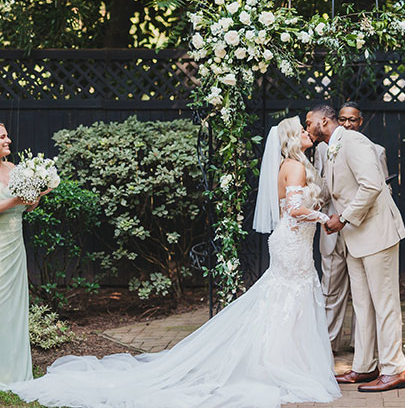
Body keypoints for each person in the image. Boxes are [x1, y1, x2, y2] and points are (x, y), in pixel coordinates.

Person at [10, 116, 341, 408]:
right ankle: (282, 364)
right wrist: (324, 216)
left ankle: (285, 360)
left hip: (293, 242)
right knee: (288, 297)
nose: (306, 132)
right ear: (288, 138)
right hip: (293, 242)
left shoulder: (292, 164)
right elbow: (295, 211)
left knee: (286, 299)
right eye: (300, 130)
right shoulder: (295, 166)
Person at [306, 105, 405, 393]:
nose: (307, 126)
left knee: (385, 304)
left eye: (309, 121)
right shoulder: (330, 148)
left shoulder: (353, 141)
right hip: (355, 238)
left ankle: (395, 369)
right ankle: (364, 367)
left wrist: (345, 217)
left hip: (376, 233)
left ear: (323, 121)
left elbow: (372, 185)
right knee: (362, 305)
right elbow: (334, 190)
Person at [311, 102, 391, 352]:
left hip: (362, 228)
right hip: (333, 231)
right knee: (330, 291)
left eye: (352, 120)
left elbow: (381, 189)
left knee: (364, 294)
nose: (347, 124)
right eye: (343, 119)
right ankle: (328, 345)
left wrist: (348, 215)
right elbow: (322, 187)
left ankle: (362, 348)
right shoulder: (323, 150)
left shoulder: (374, 150)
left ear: (360, 122)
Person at [0, 123, 42, 387]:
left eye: (6, 135)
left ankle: (14, 370)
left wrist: (36, 196)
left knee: (14, 308)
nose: (8, 139)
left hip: (16, 248)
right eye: (2, 137)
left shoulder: (14, 169)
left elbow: (25, 208)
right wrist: (15, 201)